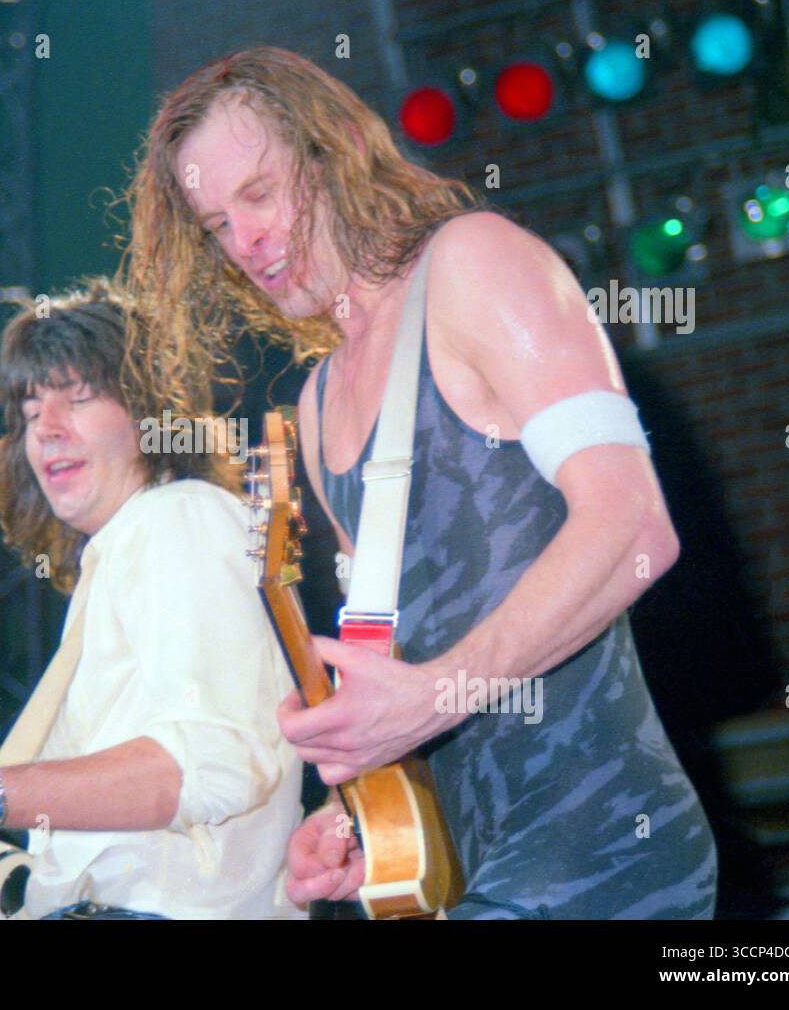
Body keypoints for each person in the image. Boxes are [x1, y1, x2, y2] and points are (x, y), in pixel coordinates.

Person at [120, 47, 718, 919]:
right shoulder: (318, 406)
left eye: (259, 193)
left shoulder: (474, 263)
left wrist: (435, 696)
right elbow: (395, 685)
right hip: (486, 872)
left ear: (334, 155)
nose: (244, 241)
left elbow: (634, 527)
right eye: (216, 223)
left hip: (610, 849)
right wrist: (359, 818)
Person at [0, 278, 306, 920]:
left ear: (151, 414)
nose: (48, 430)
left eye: (80, 397)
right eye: (31, 411)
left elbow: (216, 763)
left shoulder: (179, 517)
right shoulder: (115, 559)